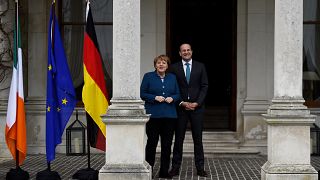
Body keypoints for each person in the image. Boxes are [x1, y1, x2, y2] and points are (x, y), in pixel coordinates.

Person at [169, 43, 209, 177]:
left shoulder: (200, 66)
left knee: (198, 139)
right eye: (183, 51)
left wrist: (197, 103)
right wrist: (181, 102)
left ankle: (200, 168)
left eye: (188, 50)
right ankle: (175, 167)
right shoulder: (173, 68)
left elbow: (204, 86)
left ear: (191, 51)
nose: (186, 52)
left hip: (197, 109)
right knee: (178, 139)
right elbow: (172, 87)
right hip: (180, 108)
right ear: (180, 53)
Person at [140, 55, 180, 178]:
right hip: (154, 116)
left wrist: (172, 98)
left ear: (167, 65)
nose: (161, 65)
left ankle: (164, 172)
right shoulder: (148, 76)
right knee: (151, 143)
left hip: (169, 116)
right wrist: (154, 97)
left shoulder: (172, 78)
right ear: (155, 65)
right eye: (159, 63)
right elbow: (142, 93)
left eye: (164, 63)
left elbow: (178, 94)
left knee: (167, 145)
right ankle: (149, 170)